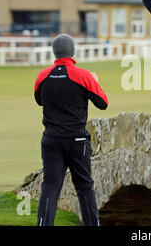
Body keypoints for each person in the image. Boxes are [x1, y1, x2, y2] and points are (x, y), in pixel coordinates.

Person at [33, 34, 108, 226]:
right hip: (76, 141)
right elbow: (103, 103)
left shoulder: (43, 75)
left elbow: (39, 100)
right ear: (73, 52)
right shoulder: (83, 76)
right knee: (84, 186)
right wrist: (94, 81)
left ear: (54, 52)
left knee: (49, 187)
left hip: (51, 140)